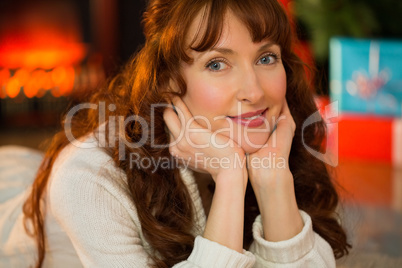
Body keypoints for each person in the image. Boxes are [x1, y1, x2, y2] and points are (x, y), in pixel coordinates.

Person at [0, 0, 351, 267]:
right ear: (168, 81)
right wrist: (231, 177)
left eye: (266, 58)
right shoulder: (88, 178)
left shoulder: (272, 142)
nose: (255, 91)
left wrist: (273, 179)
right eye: (217, 63)